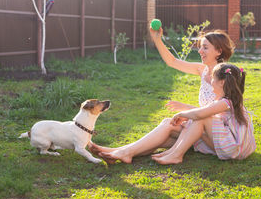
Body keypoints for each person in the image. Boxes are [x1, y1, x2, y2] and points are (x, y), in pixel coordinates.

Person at [88, 27, 235, 164]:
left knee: (169, 130)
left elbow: (217, 113)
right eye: (200, 46)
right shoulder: (202, 70)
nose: (200, 51)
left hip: (218, 134)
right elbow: (172, 61)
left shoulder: (224, 78)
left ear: (219, 51)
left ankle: (123, 152)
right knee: (167, 125)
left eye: (205, 47)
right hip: (201, 127)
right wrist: (157, 39)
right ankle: (120, 151)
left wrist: (186, 109)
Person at [151, 63, 256, 164]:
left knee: (202, 117)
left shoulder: (226, 102)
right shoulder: (224, 101)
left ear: (222, 82)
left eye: (213, 78)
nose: (211, 81)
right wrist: (188, 117)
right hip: (228, 146)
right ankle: (172, 152)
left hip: (233, 148)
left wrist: (181, 114)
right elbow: (201, 112)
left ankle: (176, 155)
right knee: (196, 120)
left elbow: (200, 114)